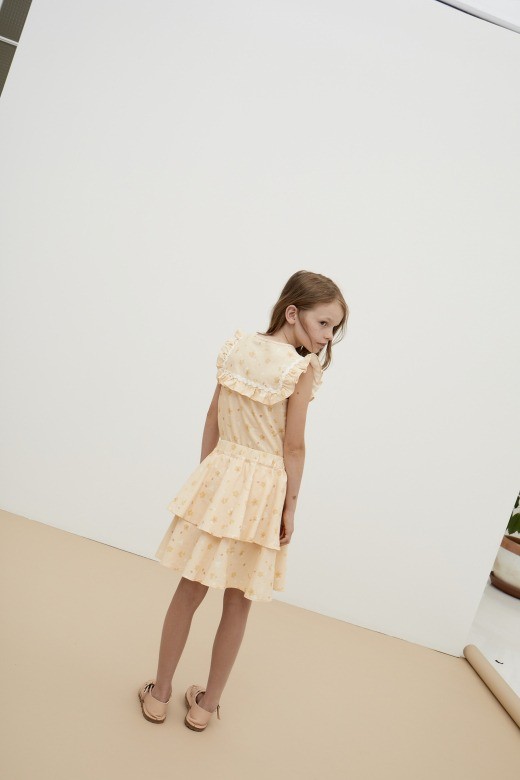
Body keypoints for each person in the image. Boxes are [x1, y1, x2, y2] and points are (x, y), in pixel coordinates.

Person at [138, 270, 348, 731]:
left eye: (334, 328)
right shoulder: (299, 370)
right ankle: (205, 706)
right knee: (238, 601)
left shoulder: (236, 347)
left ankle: (159, 694)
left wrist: (208, 476)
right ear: (292, 313)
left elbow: (212, 416)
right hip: (265, 491)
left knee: (190, 588)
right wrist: (291, 506)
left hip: (221, 474)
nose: (328, 337)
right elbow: (294, 447)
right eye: (323, 323)